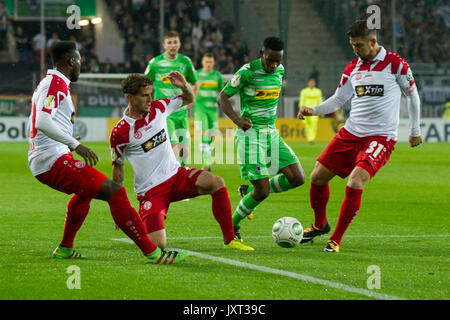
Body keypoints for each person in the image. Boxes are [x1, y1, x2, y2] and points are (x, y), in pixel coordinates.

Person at [28, 41, 185, 264]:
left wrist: (65, 139)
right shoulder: (55, 83)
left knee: (85, 193)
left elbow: (39, 122)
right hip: (50, 160)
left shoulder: (51, 82)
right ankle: (154, 253)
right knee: (115, 192)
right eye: (79, 60)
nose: (81, 64)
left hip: (50, 156)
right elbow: (41, 121)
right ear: (71, 61)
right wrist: (74, 144)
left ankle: (65, 248)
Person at [297, 20, 422, 252]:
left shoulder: (396, 64)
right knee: (316, 177)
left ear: (373, 42)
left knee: (356, 181)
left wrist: (415, 131)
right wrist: (313, 111)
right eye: (353, 45)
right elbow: (338, 100)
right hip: (351, 132)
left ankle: (335, 239)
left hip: (380, 137)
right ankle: (319, 224)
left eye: (359, 45)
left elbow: (412, 95)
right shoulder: (352, 68)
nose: (355, 50)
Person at [110, 73, 253, 251]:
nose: (150, 99)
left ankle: (230, 239)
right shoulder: (120, 133)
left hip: (176, 175)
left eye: (151, 94)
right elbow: (118, 172)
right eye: (144, 95)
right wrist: (118, 208)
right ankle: (146, 217)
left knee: (216, 182)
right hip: (151, 191)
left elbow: (188, 99)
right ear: (129, 97)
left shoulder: (159, 107)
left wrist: (184, 85)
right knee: (158, 245)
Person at [217, 36, 306, 243]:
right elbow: (221, 96)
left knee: (297, 178)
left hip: (271, 133)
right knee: (263, 190)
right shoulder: (247, 72)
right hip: (250, 135)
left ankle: (248, 191)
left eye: (278, 60)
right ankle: (232, 225)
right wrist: (237, 119)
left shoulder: (280, 70)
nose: (274, 65)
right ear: (261, 54)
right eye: (270, 60)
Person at [144, 31, 199, 166]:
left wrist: (192, 101)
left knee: (185, 153)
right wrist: (148, 102)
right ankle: (173, 177)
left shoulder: (185, 62)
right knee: (174, 147)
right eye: (169, 42)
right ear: (164, 45)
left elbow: (195, 83)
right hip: (165, 112)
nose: (172, 45)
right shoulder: (155, 63)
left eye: (175, 42)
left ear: (179, 44)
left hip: (181, 111)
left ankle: (176, 174)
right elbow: (145, 83)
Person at [194, 52, 223, 171]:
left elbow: (221, 91)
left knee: (211, 136)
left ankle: (206, 160)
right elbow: (192, 89)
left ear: (214, 63)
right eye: (206, 62)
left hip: (213, 111)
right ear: (202, 62)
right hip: (201, 111)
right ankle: (206, 163)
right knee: (204, 134)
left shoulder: (217, 76)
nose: (208, 64)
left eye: (210, 62)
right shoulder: (197, 75)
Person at [299, 78, 323, 144]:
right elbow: (302, 101)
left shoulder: (318, 91)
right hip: (306, 111)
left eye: (313, 83)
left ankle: (311, 139)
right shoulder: (304, 91)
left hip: (314, 111)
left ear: (314, 83)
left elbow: (319, 101)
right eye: (310, 82)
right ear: (308, 83)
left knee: (313, 125)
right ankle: (309, 138)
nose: (311, 84)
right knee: (307, 125)